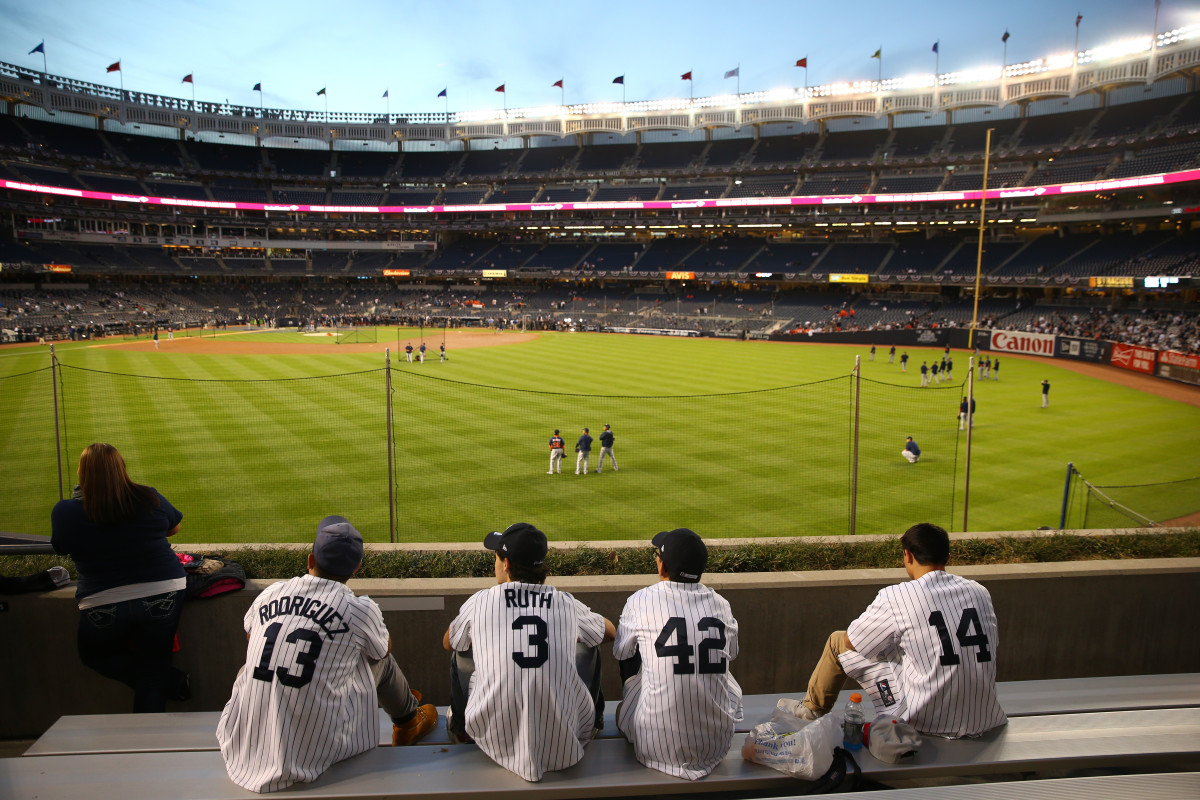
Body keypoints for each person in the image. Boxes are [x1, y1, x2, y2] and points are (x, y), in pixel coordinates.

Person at [218, 515, 437, 792]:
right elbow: (382, 650)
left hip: (243, 745)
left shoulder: (270, 593)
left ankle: (405, 712)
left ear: (310, 560)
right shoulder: (360, 610)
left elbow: (252, 637)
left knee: (254, 662)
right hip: (318, 753)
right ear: (356, 568)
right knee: (377, 660)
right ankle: (408, 722)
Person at [788, 523, 1006, 739]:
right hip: (985, 718)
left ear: (908, 556)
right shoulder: (980, 592)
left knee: (837, 641)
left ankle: (811, 710)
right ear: (947, 558)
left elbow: (851, 641)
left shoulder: (898, 596)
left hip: (923, 723)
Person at [443, 523, 616, 782]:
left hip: (492, 738)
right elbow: (610, 631)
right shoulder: (565, 602)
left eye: (497, 557)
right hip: (565, 743)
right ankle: (595, 722)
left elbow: (448, 642)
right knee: (590, 643)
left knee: (460, 653)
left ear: (507, 564)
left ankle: (461, 728)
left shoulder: (480, 602)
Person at [51, 443, 189, 712]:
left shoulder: (66, 511)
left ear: (83, 473)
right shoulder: (148, 497)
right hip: (164, 588)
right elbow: (174, 527)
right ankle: (163, 682)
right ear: (121, 469)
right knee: (154, 667)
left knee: (95, 656)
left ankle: (166, 681)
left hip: (102, 599)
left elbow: (61, 546)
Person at [614, 528, 742, 780]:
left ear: (662, 569)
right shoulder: (722, 605)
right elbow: (732, 654)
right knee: (722, 672)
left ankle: (637, 712)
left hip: (652, 748)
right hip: (716, 746)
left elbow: (622, 653)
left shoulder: (640, 600)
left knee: (637, 660)